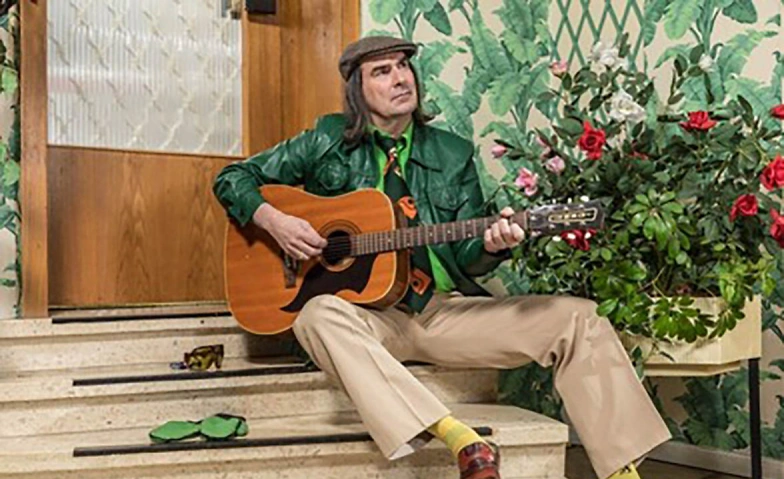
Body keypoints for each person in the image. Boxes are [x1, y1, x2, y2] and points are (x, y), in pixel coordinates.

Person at [213, 36, 671, 479]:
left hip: (440, 312)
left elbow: (466, 256)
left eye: (404, 66)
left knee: (580, 318)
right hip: (367, 320)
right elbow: (232, 178)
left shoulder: (452, 154)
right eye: (382, 71)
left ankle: (623, 473)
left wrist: (493, 244)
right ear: (357, 89)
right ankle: (460, 438)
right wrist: (275, 221)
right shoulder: (326, 139)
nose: (400, 78)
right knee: (315, 316)